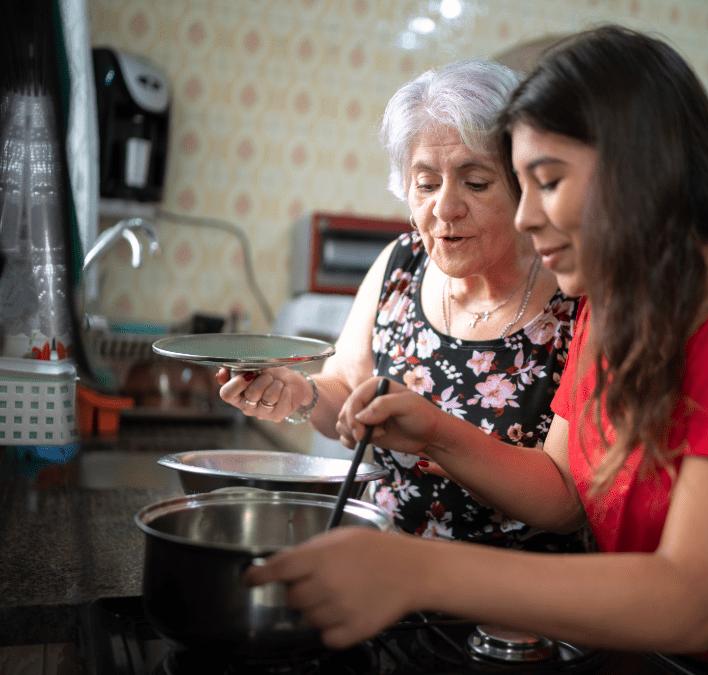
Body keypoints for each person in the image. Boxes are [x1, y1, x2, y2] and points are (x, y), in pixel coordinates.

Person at [243, 26, 708, 673]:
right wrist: (435, 432)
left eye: (546, 181)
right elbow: (564, 487)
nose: (524, 216)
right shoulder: (620, 308)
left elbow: (693, 600)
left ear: (637, 172)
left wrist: (422, 571)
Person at [218, 60, 584, 551]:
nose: (445, 208)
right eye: (426, 184)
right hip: (385, 571)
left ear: (522, 183)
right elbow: (348, 391)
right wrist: (299, 393)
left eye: (475, 183)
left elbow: (563, 502)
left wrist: (436, 433)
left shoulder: (575, 295)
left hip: (510, 604)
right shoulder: (400, 265)